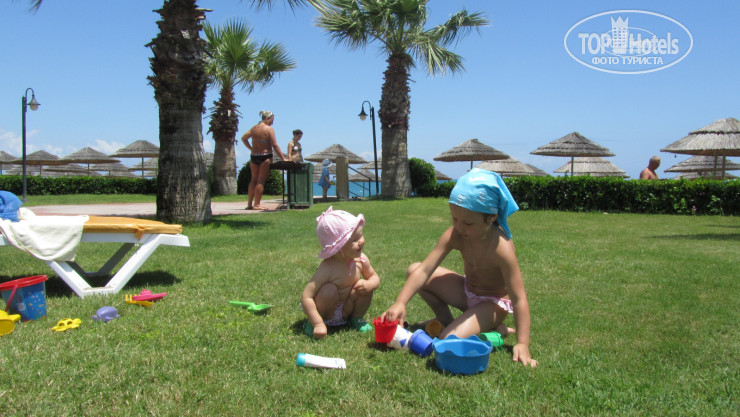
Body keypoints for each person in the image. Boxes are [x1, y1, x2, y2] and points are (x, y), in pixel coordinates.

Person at [382, 168, 538, 367]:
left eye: (468, 223)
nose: (459, 227)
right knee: (414, 269)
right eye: (454, 219)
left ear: (491, 217)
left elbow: (519, 298)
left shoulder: (502, 248)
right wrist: (400, 302)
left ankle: (493, 328)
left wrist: (523, 343)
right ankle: (445, 318)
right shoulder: (456, 234)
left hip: (493, 304)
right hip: (467, 292)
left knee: (446, 340)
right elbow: (424, 270)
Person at [301, 207, 380, 339]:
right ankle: (313, 323)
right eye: (355, 239)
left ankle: (356, 318)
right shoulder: (328, 268)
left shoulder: (361, 260)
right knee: (329, 290)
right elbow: (306, 297)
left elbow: (374, 276)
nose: (361, 241)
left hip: (347, 310)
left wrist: (370, 284)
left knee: (364, 284)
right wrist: (317, 323)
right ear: (337, 249)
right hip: (327, 312)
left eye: (361, 235)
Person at [240, 110, 288, 210]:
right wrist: (283, 158)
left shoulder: (254, 128)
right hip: (265, 157)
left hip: (254, 156)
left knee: (253, 179)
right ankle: (257, 204)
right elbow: (275, 145)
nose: (272, 123)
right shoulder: (269, 129)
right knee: (260, 180)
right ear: (267, 119)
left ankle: (249, 204)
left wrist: (251, 148)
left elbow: (243, 138)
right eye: (272, 120)